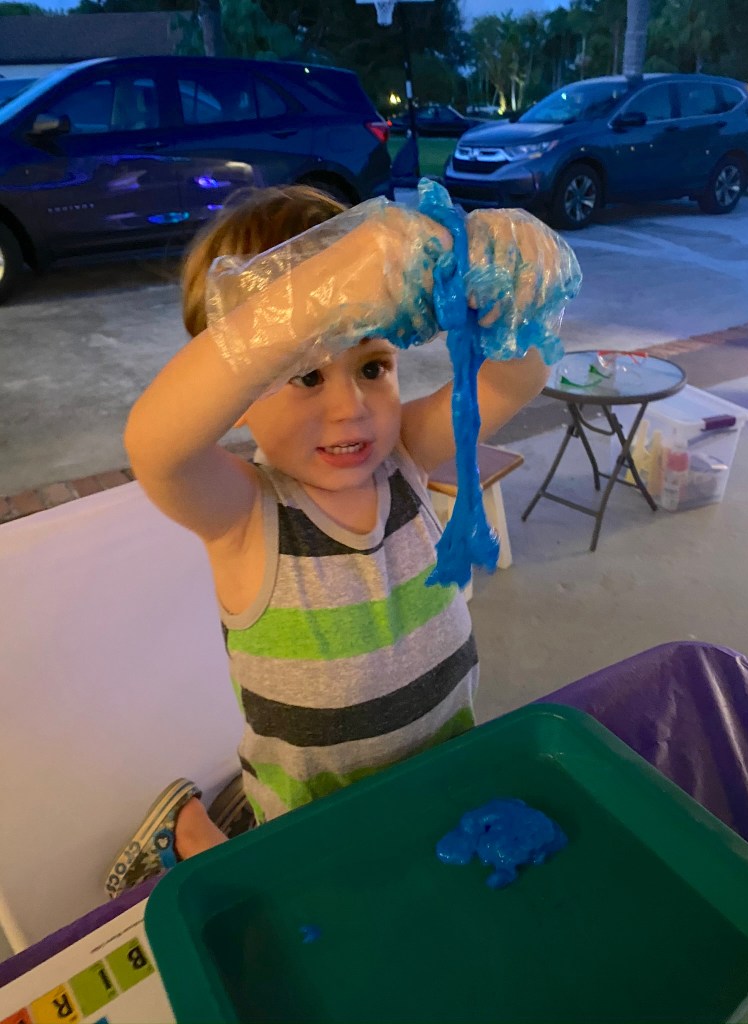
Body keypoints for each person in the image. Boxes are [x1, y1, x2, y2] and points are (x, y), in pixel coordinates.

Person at [105, 183, 574, 897]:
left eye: (372, 367)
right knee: (275, 905)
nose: (350, 408)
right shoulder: (242, 513)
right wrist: (318, 292)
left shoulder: (407, 452)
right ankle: (189, 827)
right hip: (310, 833)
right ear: (238, 385)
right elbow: (156, 445)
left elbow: (515, 380)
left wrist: (509, 280)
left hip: (437, 788)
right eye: (303, 373)